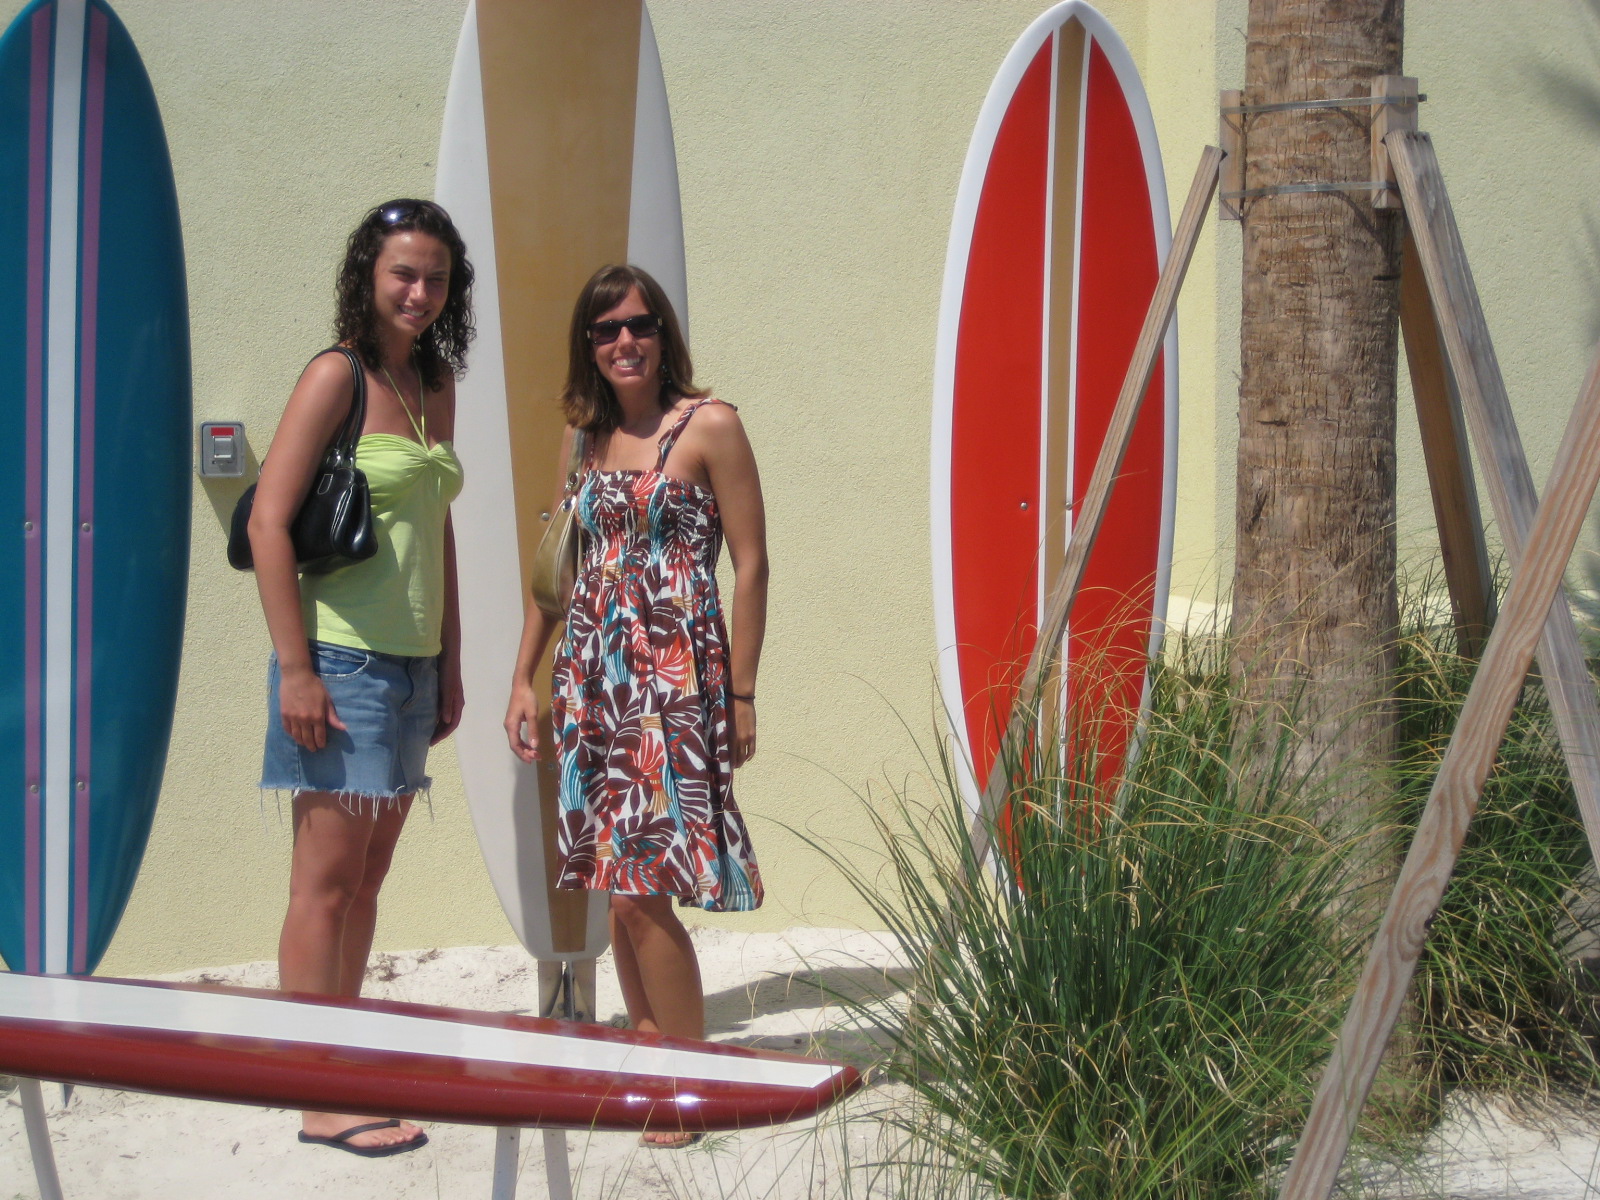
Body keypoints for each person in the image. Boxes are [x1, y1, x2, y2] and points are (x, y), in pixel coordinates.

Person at [504, 264, 768, 1147]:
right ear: (588, 346)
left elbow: (752, 564)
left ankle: (687, 1085)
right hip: (595, 683)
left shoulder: (710, 425)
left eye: (640, 324)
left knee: (645, 891)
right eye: (606, 329)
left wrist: (741, 692)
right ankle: (651, 1056)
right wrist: (523, 677)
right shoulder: (584, 438)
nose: (625, 341)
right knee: (617, 892)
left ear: (664, 334)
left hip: (672, 685)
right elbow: (557, 573)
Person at [249, 198, 472, 1158]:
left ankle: (341, 1062)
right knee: (325, 884)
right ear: (368, 276)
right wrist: (297, 669)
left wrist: (450, 657)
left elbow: (436, 528)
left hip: (412, 666)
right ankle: (317, 1097)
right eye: (403, 274)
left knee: (368, 879)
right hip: (340, 659)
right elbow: (268, 520)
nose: (419, 292)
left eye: (436, 277)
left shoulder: (433, 382)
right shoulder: (334, 375)